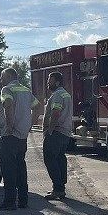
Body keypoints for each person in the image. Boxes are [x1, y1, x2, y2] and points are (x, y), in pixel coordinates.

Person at [0, 67, 37, 211]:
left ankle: (9, 201)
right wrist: (30, 124)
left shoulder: (6, 90)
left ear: (8, 76)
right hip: (22, 136)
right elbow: (37, 107)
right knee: (20, 168)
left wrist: (10, 126)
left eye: (2, 77)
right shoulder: (25, 90)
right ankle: (23, 200)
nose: (0, 80)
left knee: (9, 169)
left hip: (9, 135)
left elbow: (8, 105)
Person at [42, 71, 73, 200]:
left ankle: (58, 188)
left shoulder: (58, 95)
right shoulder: (66, 94)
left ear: (57, 82)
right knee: (60, 158)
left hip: (56, 132)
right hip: (65, 132)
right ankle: (60, 188)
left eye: (50, 80)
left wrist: (50, 129)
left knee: (50, 158)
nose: (48, 83)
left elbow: (55, 112)